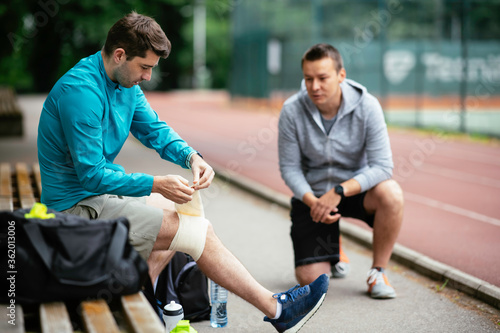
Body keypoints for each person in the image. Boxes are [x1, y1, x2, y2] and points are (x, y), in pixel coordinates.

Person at [37, 12, 328, 332]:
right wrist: (156, 184)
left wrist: (192, 157)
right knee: (195, 232)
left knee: (182, 215)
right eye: (144, 67)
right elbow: (91, 175)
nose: (147, 77)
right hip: (75, 211)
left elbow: (154, 130)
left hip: (96, 196)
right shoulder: (82, 93)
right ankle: (278, 310)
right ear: (120, 55)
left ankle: (138, 303)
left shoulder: (123, 83)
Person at [278, 43, 404, 299]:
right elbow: (289, 167)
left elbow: (383, 166)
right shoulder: (292, 109)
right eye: (308, 78)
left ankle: (378, 272)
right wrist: (313, 201)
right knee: (311, 282)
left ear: (341, 75)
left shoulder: (368, 106)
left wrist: (339, 191)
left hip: (354, 190)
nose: (314, 86)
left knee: (391, 193)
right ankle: (333, 249)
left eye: (323, 78)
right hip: (313, 195)